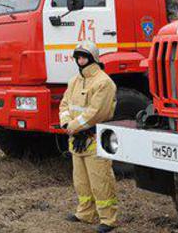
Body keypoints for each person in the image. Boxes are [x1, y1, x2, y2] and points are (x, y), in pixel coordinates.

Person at [59, 40, 118, 233]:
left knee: (101, 180)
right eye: (78, 56)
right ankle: (85, 213)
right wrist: (67, 123)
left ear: (92, 57)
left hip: (94, 139)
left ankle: (108, 219)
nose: (80, 59)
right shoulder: (74, 81)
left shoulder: (104, 82)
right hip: (77, 139)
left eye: (84, 56)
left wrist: (73, 127)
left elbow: (97, 112)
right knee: (81, 181)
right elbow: (64, 105)